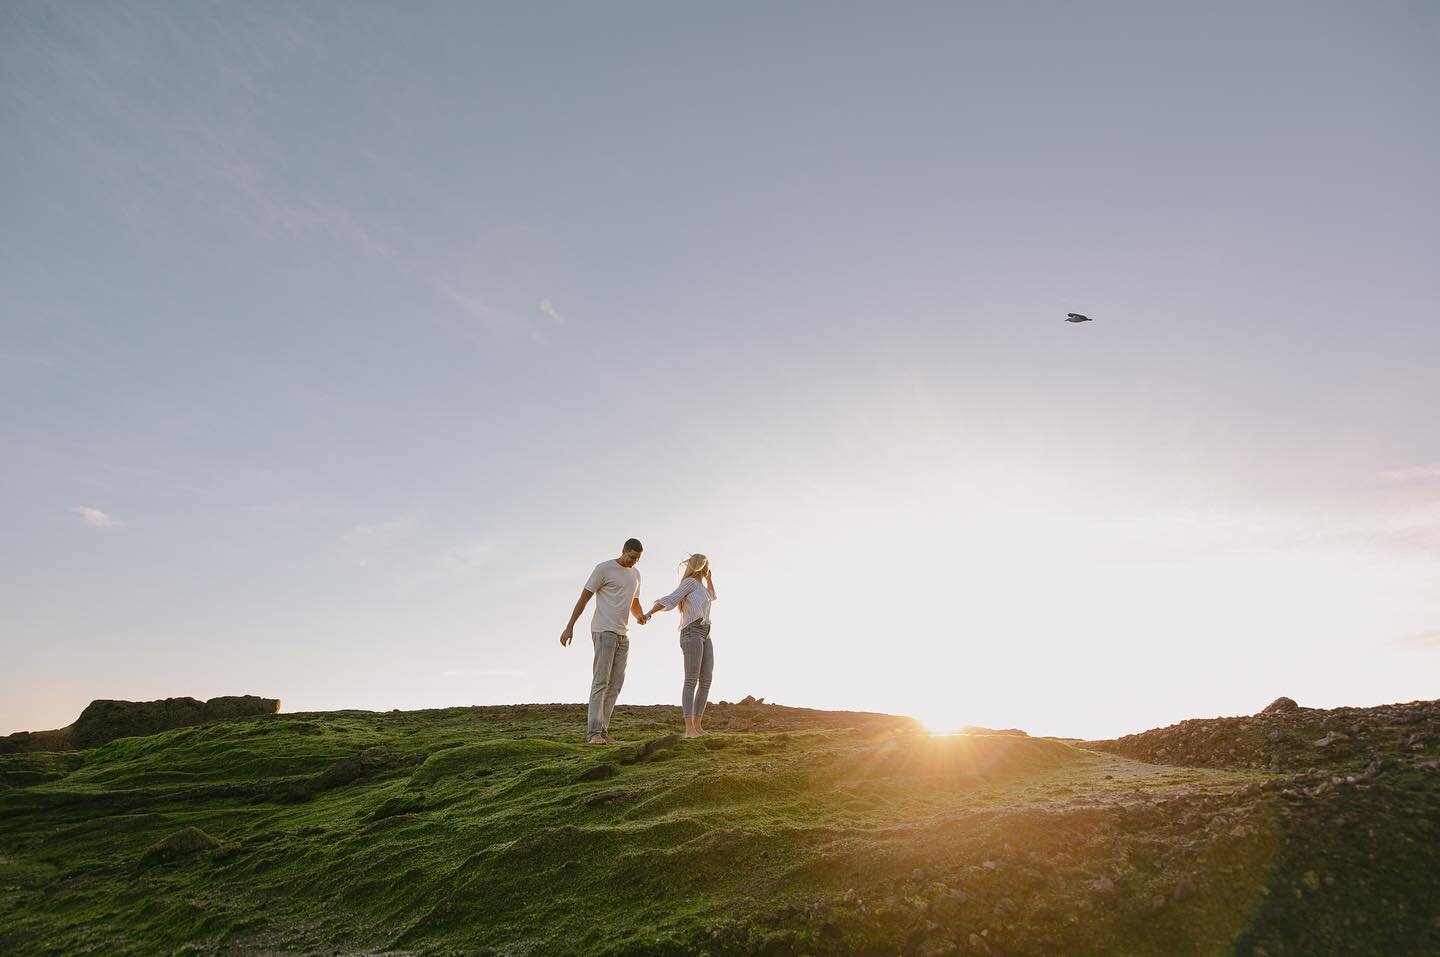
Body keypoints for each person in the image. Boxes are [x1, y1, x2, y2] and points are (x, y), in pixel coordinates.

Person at [560, 538, 647, 744]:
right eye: (631, 557)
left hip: (623, 634)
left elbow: (634, 601)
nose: (633, 562)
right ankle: (593, 734)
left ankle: (603, 733)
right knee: (601, 682)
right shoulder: (604, 569)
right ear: (624, 551)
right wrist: (570, 625)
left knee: (616, 684)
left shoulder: (636, 574)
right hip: (603, 631)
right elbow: (584, 598)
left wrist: (640, 616)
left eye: (637, 559)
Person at [645, 554, 717, 738]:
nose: (706, 567)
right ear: (699, 566)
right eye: (704, 564)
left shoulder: (701, 586)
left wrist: (709, 579)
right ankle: (689, 729)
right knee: (691, 680)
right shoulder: (690, 583)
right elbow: (671, 599)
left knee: (706, 680)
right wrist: (651, 612)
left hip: (706, 633)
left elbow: (713, 596)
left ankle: (698, 727)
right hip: (691, 631)